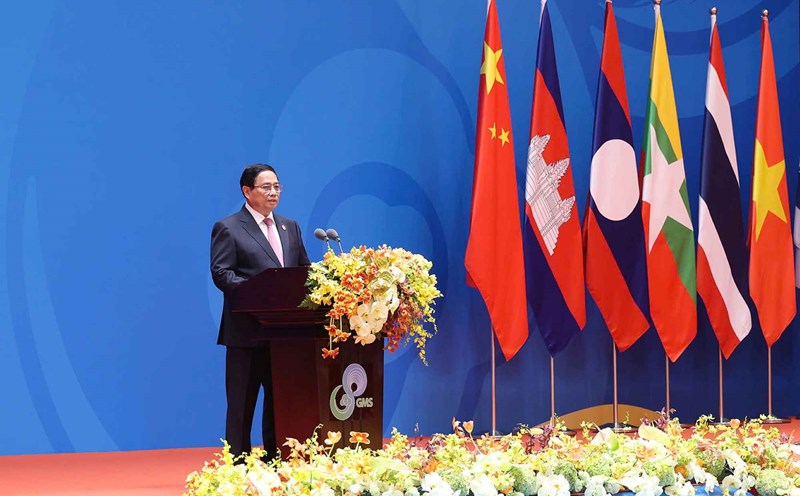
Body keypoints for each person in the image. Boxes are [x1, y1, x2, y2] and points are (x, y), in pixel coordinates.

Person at [210, 163, 310, 460]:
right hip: (247, 332)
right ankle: (237, 463)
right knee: (242, 403)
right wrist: (261, 291)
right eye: (266, 187)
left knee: (280, 401)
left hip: (286, 335)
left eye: (277, 186)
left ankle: (275, 457)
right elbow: (221, 273)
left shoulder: (289, 226)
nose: (273, 192)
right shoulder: (228, 227)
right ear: (247, 191)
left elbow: (303, 271)